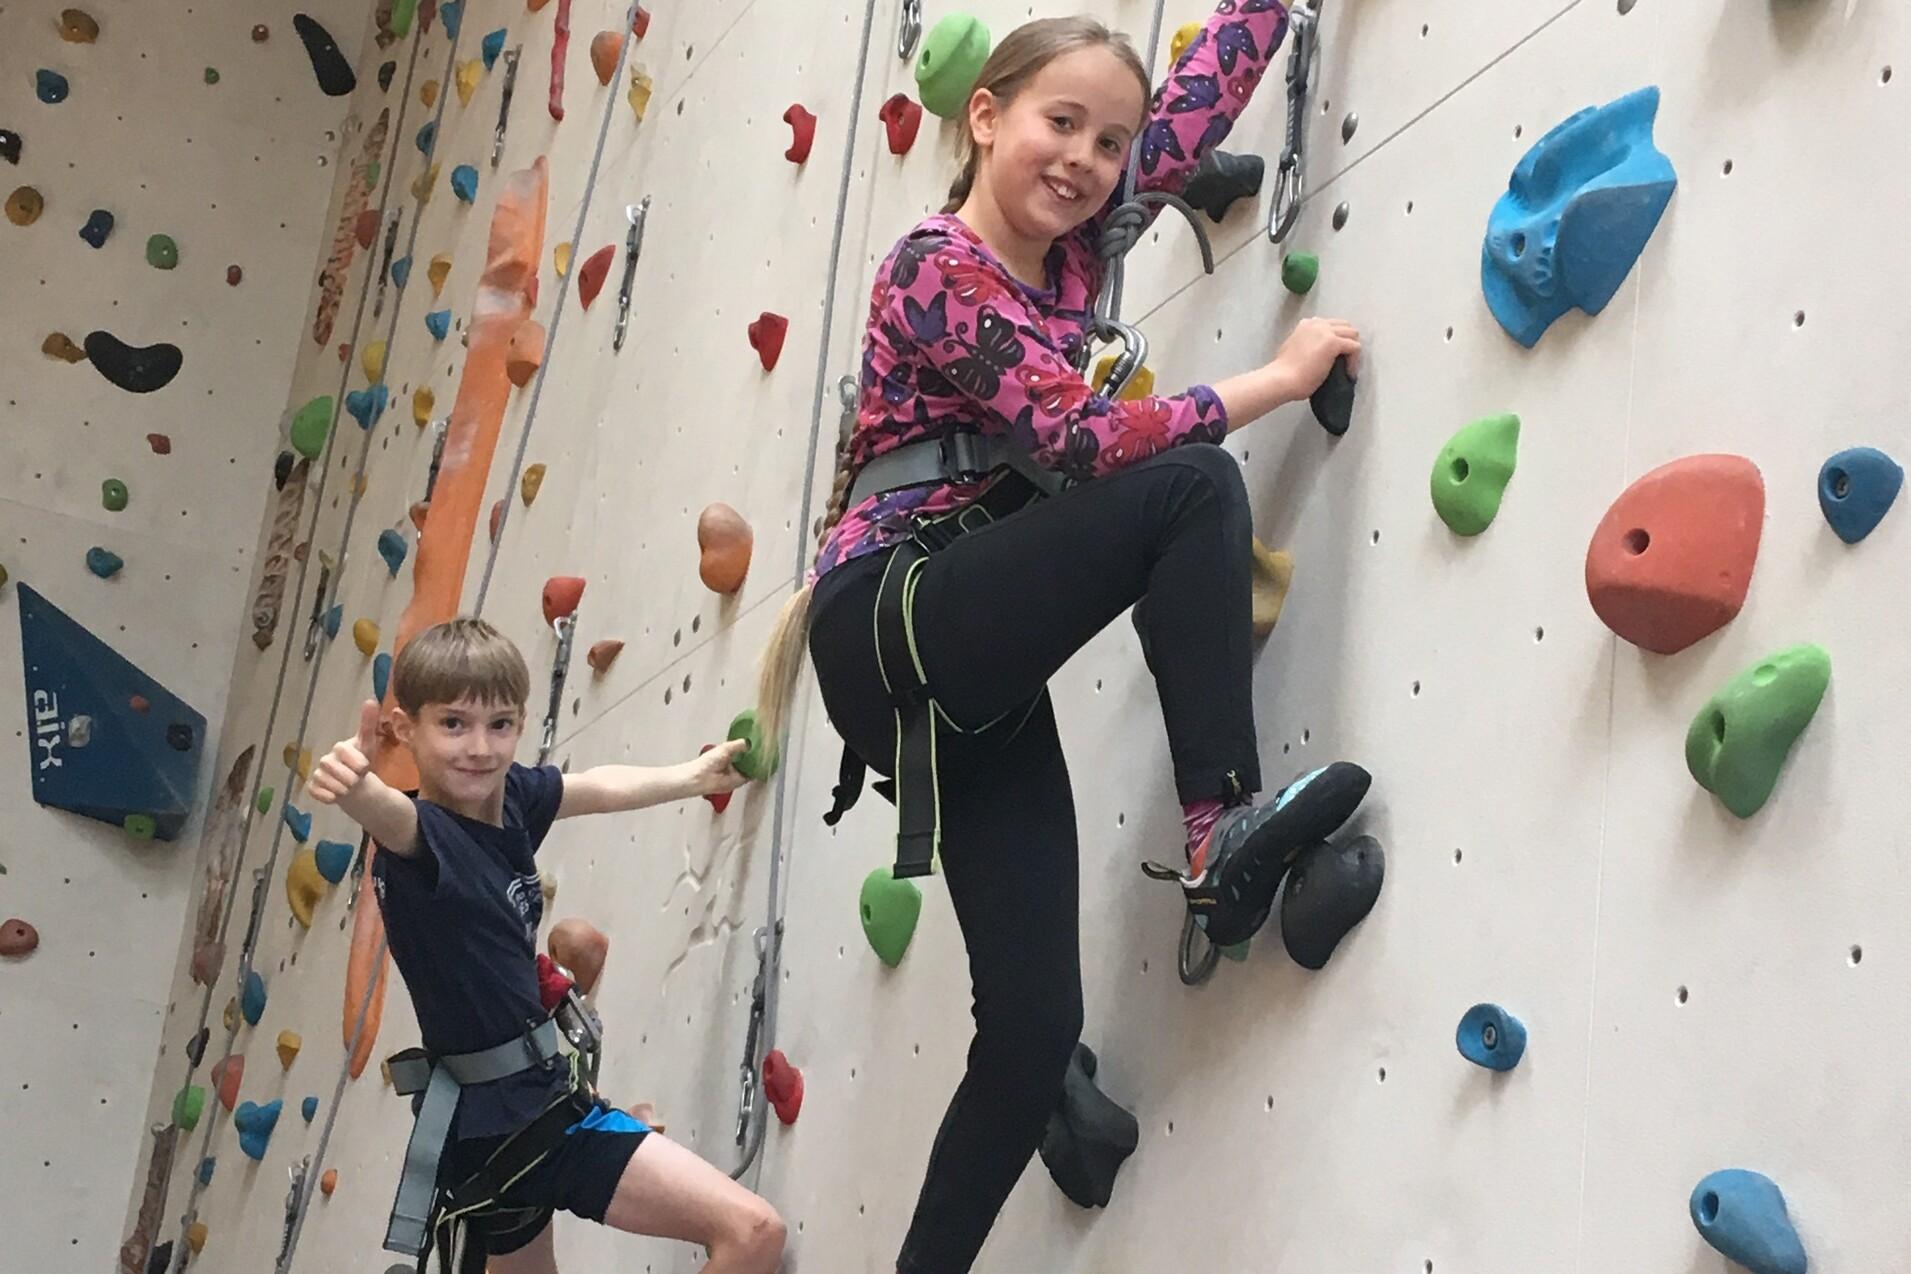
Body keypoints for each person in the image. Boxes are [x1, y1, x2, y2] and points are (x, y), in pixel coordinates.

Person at [751, 4, 1372, 1271]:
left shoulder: (1083, 250)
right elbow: (1083, 445)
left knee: (1033, 1034)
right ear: (985, 117)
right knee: (1191, 486)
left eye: (1109, 142)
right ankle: (1221, 835)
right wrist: (1281, 375)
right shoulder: (934, 266)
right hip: (893, 619)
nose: (1085, 160)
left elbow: (1204, 91)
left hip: (970, 674)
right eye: (1058, 123)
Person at [309, 617, 785, 1274]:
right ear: (403, 729)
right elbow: (393, 820)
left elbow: (589, 787)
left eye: (500, 724)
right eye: (453, 725)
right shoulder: (424, 843)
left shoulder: (507, 800)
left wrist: (693, 776)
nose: (480, 747)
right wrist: (360, 789)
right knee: (753, 1230)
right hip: (528, 1125)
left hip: (487, 1129)